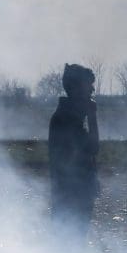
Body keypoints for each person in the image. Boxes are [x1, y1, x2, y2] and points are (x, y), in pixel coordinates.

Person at [48, 63, 100, 235]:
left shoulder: (68, 117)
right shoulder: (66, 120)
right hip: (72, 196)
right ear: (76, 88)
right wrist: (92, 117)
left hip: (72, 195)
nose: (92, 90)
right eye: (88, 85)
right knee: (70, 243)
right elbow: (92, 148)